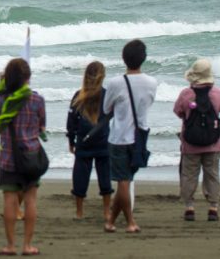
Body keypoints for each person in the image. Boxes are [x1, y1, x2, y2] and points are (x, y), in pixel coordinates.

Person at [103, 39, 157, 233]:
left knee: (123, 182)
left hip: (119, 137)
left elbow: (106, 108)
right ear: (143, 59)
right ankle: (110, 221)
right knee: (125, 181)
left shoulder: (116, 83)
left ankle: (129, 222)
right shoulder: (152, 82)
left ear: (124, 59)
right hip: (140, 137)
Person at [0, 58, 45, 256]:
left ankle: (10, 245)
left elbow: (1, 123)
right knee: (31, 199)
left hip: (8, 156)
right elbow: (42, 127)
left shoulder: (2, 100)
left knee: (9, 199)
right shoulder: (37, 100)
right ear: (28, 78)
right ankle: (27, 245)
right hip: (31, 155)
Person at [173, 58, 220, 222]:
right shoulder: (217, 93)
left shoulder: (186, 94)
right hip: (213, 142)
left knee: (189, 175)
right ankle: (213, 207)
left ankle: (189, 207)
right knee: (212, 175)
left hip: (190, 143)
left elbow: (178, 111)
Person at [66, 61, 113, 221]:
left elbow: (71, 121)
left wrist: (71, 140)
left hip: (83, 142)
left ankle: (79, 212)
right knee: (105, 177)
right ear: (102, 77)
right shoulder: (107, 95)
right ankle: (107, 211)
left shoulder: (78, 95)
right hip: (103, 141)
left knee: (80, 176)